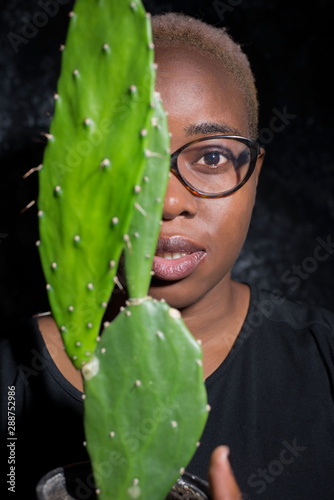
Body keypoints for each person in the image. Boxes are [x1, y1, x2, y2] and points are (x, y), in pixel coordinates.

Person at [1, 11, 333, 500]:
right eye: (132, 159)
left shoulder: (326, 360)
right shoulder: (11, 376)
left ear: (255, 175)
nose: (167, 201)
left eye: (212, 157)